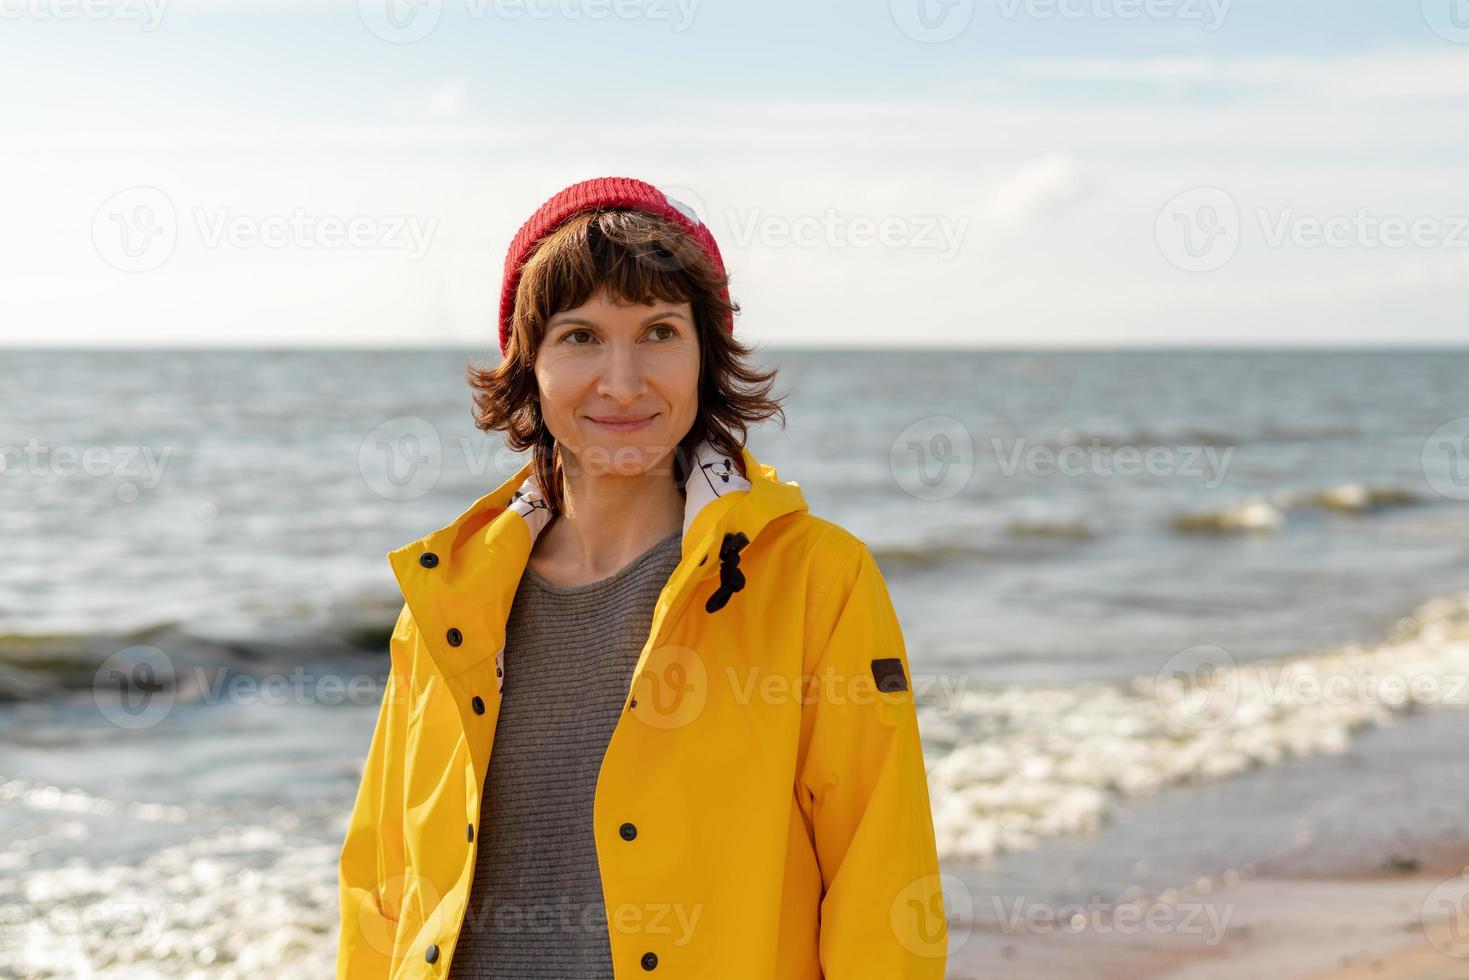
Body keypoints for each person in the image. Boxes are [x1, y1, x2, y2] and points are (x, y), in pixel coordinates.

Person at [335, 176, 948, 978]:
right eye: (580, 336)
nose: (621, 382)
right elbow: (382, 887)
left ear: (706, 355)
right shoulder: (446, 598)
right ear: (529, 363)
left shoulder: (816, 580)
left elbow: (882, 880)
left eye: (658, 331)